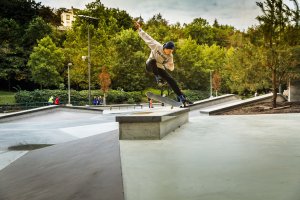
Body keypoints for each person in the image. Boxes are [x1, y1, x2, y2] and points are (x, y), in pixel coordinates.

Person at [134, 21, 191, 105]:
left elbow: (171, 68)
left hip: (159, 68)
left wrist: (170, 66)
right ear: (165, 48)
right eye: (169, 50)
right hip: (149, 65)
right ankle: (158, 79)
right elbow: (147, 38)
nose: (169, 52)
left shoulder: (170, 56)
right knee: (153, 61)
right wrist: (139, 29)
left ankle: (181, 97)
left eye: (171, 51)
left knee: (171, 80)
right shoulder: (157, 46)